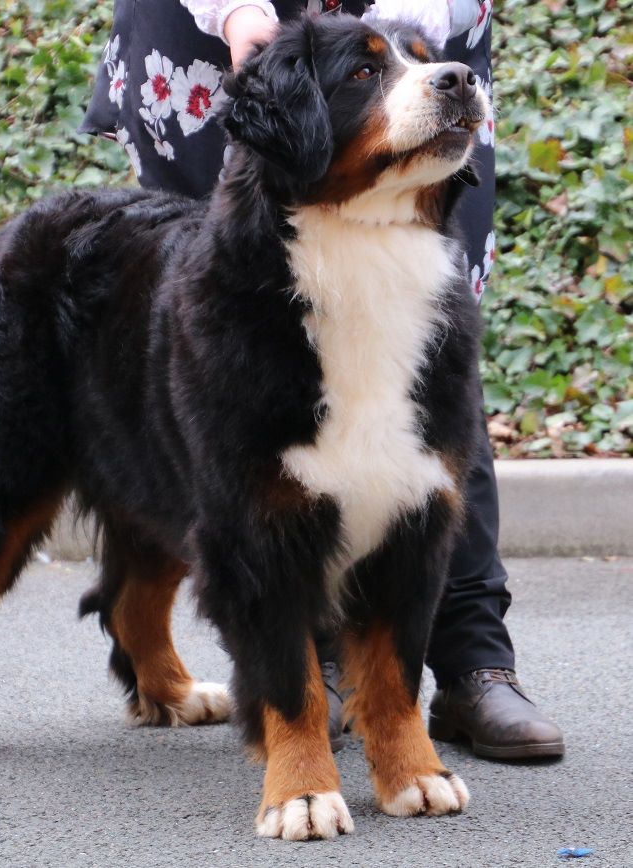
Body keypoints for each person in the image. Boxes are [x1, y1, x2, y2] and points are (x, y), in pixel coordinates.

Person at [80, 0, 564, 760]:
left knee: (425, 405)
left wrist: (412, 30)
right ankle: (304, 678)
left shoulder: (430, 80)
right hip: (212, 46)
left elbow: (418, 60)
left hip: (416, 29)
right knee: (225, 342)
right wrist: (235, 10)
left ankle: (472, 658)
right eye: (387, 66)